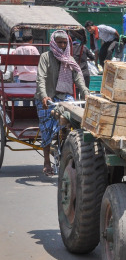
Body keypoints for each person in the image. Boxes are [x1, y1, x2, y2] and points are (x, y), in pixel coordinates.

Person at [35, 30, 89, 176]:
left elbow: (78, 78)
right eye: (60, 42)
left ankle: (67, 147)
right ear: (53, 42)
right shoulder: (45, 57)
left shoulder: (69, 58)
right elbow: (41, 78)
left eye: (65, 42)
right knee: (46, 127)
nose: (63, 45)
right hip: (47, 97)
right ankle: (46, 161)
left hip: (64, 97)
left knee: (76, 119)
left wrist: (86, 92)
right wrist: (44, 96)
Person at [12, 30, 39, 106]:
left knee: (25, 97)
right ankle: (34, 114)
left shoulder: (17, 50)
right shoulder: (33, 48)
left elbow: (14, 65)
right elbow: (39, 61)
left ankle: (25, 110)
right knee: (34, 97)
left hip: (22, 77)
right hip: (34, 77)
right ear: (31, 40)